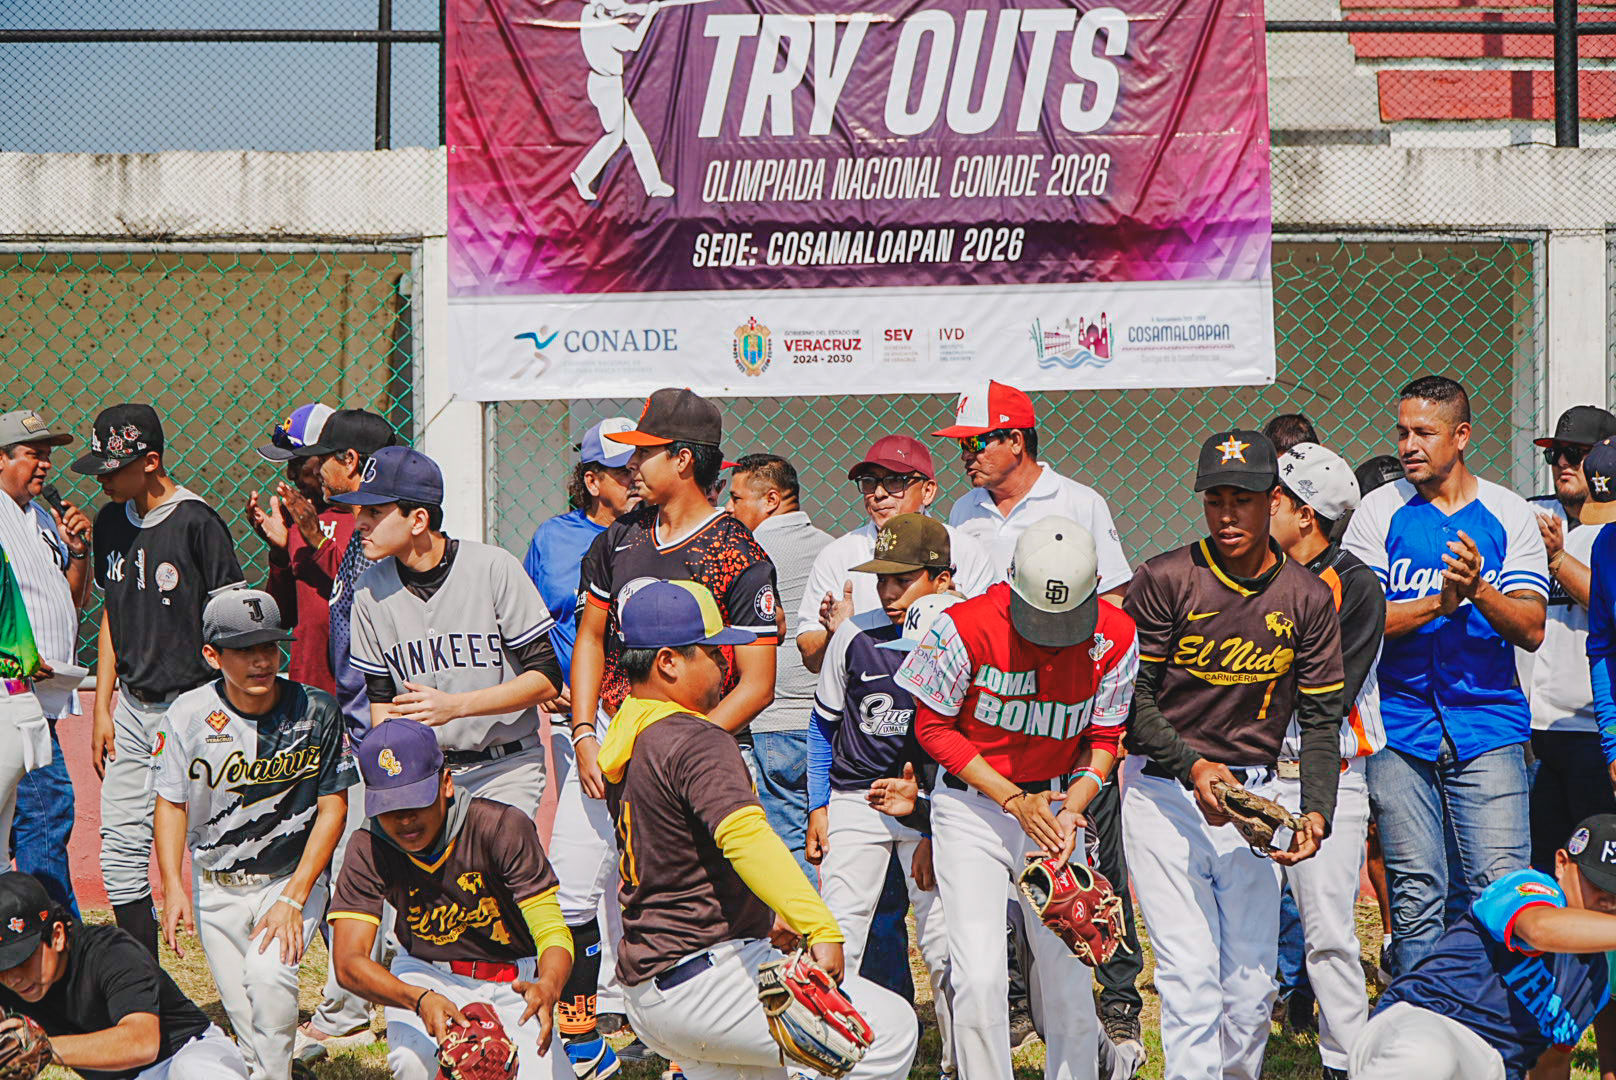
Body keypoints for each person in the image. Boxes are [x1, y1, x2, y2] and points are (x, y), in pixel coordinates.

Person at [601, 579, 918, 1079]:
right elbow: (747, 840)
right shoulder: (695, 738)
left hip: (654, 985)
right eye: (712, 652)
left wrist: (765, 914)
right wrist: (818, 925)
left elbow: (682, 859)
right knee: (887, 1029)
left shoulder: (632, 733)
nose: (725, 665)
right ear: (668, 662)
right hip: (707, 979)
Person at [559, 388, 781, 1071]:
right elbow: (591, 638)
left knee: (692, 902)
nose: (632, 466)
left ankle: (692, 1044)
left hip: (695, 752)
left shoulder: (737, 552)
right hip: (610, 736)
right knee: (569, 887)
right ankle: (578, 1042)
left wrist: (680, 750)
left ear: (683, 460)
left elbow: (757, 682)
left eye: (645, 453)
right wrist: (584, 732)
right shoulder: (618, 539)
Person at [1121, 430, 1345, 1080]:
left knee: (1250, 992)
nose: (1226, 514)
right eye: (1214, 499)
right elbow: (1132, 701)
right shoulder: (1165, 579)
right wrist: (1193, 767)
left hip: (1253, 800)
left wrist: (1317, 811)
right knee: (1190, 979)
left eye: (1242, 499)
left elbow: (1322, 718)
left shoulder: (1306, 596)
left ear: (1272, 500)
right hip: (1164, 792)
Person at [895, 517, 1139, 1080]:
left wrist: (1074, 805)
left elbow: (1105, 737)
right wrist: (1011, 800)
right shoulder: (961, 626)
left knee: (1068, 971)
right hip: (973, 806)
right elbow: (933, 728)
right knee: (980, 976)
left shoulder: (1117, 634)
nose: (1052, 634)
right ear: (1010, 581)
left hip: (1055, 806)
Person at [1343, 376, 1549, 977]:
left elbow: (1532, 627)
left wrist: (1479, 589)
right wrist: (1440, 602)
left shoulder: (1508, 512)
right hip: (1400, 726)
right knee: (1416, 895)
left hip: (1488, 724)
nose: (1408, 445)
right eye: (1402, 432)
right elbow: (1360, 621)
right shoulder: (1378, 511)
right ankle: (1421, 1018)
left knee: (1501, 888)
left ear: (1461, 436)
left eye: (1424, 433)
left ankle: (1499, 1024)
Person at [154, 588, 355, 1080]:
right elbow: (172, 804)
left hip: (288, 877)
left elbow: (333, 807)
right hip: (216, 884)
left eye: (270, 646)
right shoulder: (186, 716)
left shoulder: (316, 709)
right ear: (212, 655)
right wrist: (174, 886)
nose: (262, 660)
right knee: (248, 1023)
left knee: (269, 976)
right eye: (245, 650)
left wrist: (294, 897)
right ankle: (281, 1067)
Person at [72, 403, 245, 957]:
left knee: (214, 839)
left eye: (113, 468)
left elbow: (231, 623)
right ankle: (141, 982)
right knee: (121, 849)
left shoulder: (197, 522)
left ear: (150, 462)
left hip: (193, 704)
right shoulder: (110, 521)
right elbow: (112, 614)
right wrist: (103, 707)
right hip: (130, 707)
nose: (101, 479)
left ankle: (239, 964)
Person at [327, 717, 575, 1080]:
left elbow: (552, 930)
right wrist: (418, 998)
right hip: (426, 972)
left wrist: (549, 984)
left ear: (446, 783)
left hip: (514, 979)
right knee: (413, 1063)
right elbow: (348, 962)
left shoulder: (501, 827)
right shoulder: (369, 844)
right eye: (389, 807)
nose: (404, 820)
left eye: (414, 802)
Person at [807, 515, 959, 1076]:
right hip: (857, 797)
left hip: (932, 804)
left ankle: (958, 1062)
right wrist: (818, 805)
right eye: (882, 580)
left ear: (942, 580)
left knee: (943, 944)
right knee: (838, 932)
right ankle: (831, 1059)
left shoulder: (962, 638)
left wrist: (931, 822)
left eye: (903, 579)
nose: (889, 593)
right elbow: (822, 726)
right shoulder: (856, 635)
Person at [340, 444, 563, 817]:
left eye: (375, 511)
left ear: (418, 520)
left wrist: (456, 706)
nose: (360, 522)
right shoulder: (367, 592)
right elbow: (381, 701)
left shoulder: (493, 568)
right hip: (423, 775)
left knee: (497, 850)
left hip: (504, 767)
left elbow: (546, 679)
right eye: (361, 511)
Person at [282, 406, 399, 1061]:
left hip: (383, 728)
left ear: (351, 461)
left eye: (323, 457)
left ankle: (347, 1008)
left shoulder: (381, 532)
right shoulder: (359, 533)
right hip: (359, 724)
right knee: (369, 863)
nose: (314, 470)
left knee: (362, 867)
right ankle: (368, 995)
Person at [1269, 442, 1387, 1080]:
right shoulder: (1252, 573)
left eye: (1275, 498)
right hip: (1257, 776)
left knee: (1330, 937)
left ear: (1306, 514)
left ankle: (1347, 1063)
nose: (1261, 508)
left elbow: (1330, 696)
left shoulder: (1356, 584)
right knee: (1245, 934)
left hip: (1330, 777)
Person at [521, 416, 639, 1042]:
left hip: (643, 715)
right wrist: (551, 684)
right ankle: (592, 992)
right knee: (591, 851)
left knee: (636, 851)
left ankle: (627, 988)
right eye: (622, 472)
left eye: (639, 467)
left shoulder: (651, 534)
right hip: (579, 719)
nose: (635, 479)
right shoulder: (554, 539)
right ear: (592, 481)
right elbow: (526, 622)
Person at [1349, 815, 1616, 1080]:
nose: (1608, 901)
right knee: (1431, 1056)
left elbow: (1551, 1064)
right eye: (1598, 884)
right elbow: (1539, 930)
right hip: (1426, 1023)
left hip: (1490, 1068)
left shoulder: (1595, 980)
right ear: (1562, 864)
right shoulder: (1531, 887)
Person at [0, 871, 248, 1080]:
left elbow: (142, 1043)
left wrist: (45, 1048)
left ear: (57, 936)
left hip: (183, 1055)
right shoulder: (9, 985)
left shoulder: (111, 952)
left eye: (21, 960)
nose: (12, 978)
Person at [796, 434, 996, 675]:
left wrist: (956, 612)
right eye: (869, 482)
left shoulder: (965, 549)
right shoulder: (838, 554)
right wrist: (836, 635)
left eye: (894, 481)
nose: (879, 493)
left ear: (928, 491)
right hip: (868, 692)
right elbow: (811, 659)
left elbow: (991, 644)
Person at [0, 408, 92, 914]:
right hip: (12, 690)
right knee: (46, 806)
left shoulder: (39, 516)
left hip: (45, 690)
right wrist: (13, 656)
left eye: (48, 455)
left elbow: (71, 602)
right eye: (33, 454)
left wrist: (78, 553)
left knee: (25, 813)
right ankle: (52, 925)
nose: (46, 465)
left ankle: (27, 925)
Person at [727, 453, 833, 877]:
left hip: (775, 720)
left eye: (737, 498)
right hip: (830, 718)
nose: (729, 508)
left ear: (771, 499)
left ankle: (804, 922)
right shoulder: (831, 547)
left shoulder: (747, 552)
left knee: (789, 846)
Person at [934, 380, 1131, 597]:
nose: (965, 455)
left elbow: (1112, 592)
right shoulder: (963, 508)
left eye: (973, 443)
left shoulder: (1081, 503)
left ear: (1015, 441)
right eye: (962, 444)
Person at [1526, 406, 1616, 872]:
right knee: (1543, 863)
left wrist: (1558, 559)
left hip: (1591, 730)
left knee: (1595, 870)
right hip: (1535, 727)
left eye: (1575, 454)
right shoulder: (1530, 515)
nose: (1562, 462)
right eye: (1555, 453)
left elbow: (1606, 603)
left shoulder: (1607, 530)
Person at [248, 402, 342, 693]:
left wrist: (316, 537)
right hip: (310, 685)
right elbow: (282, 616)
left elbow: (361, 589)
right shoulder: (297, 516)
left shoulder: (365, 518)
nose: (290, 475)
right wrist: (279, 553)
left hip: (358, 688)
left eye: (298, 463)